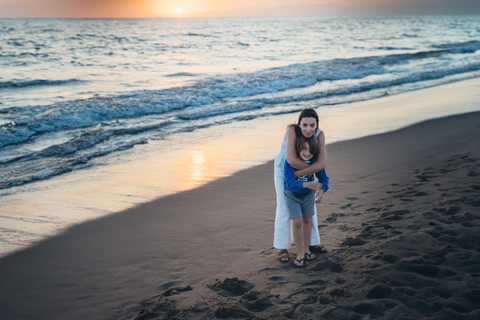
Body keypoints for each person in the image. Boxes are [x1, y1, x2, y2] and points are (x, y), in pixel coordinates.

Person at [274, 108, 327, 263]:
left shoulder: (320, 134)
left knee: (309, 209)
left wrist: (306, 174)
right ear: (299, 123)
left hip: (305, 168)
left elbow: (323, 163)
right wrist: (299, 174)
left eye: (312, 125)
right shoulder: (291, 131)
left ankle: (312, 243)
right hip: (284, 170)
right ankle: (282, 247)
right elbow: (290, 160)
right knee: (284, 207)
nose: (308, 129)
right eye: (304, 125)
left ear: (317, 125)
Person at [284, 136, 329, 267]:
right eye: (304, 148)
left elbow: (323, 178)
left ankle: (306, 249)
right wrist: (307, 185)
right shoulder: (290, 162)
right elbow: (289, 183)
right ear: (297, 149)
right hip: (292, 195)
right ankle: (300, 253)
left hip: (308, 196)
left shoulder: (315, 162)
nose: (307, 153)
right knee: (297, 221)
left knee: (308, 220)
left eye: (311, 150)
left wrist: (322, 190)